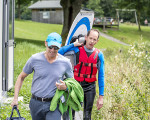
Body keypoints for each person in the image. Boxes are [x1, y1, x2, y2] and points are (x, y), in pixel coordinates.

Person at [11, 32, 74, 120]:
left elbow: (72, 83)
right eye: (50, 47)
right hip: (36, 103)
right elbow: (21, 77)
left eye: (56, 47)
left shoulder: (65, 62)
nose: (52, 50)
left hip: (54, 103)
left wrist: (66, 87)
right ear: (45, 43)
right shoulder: (35, 59)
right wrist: (15, 98)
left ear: (60, 45)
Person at [58, 29, 105, 120]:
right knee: (70, 114)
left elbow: (101, 76)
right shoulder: (77, 50)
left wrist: (101, 97)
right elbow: (58, 52)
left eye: (94, 39)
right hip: (75, 85)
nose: (92, 41)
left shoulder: (99, 55)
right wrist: (72, 44)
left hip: (90, 87)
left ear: (97, 41)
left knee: (87, 115)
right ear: (86, 37)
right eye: (90, 38)